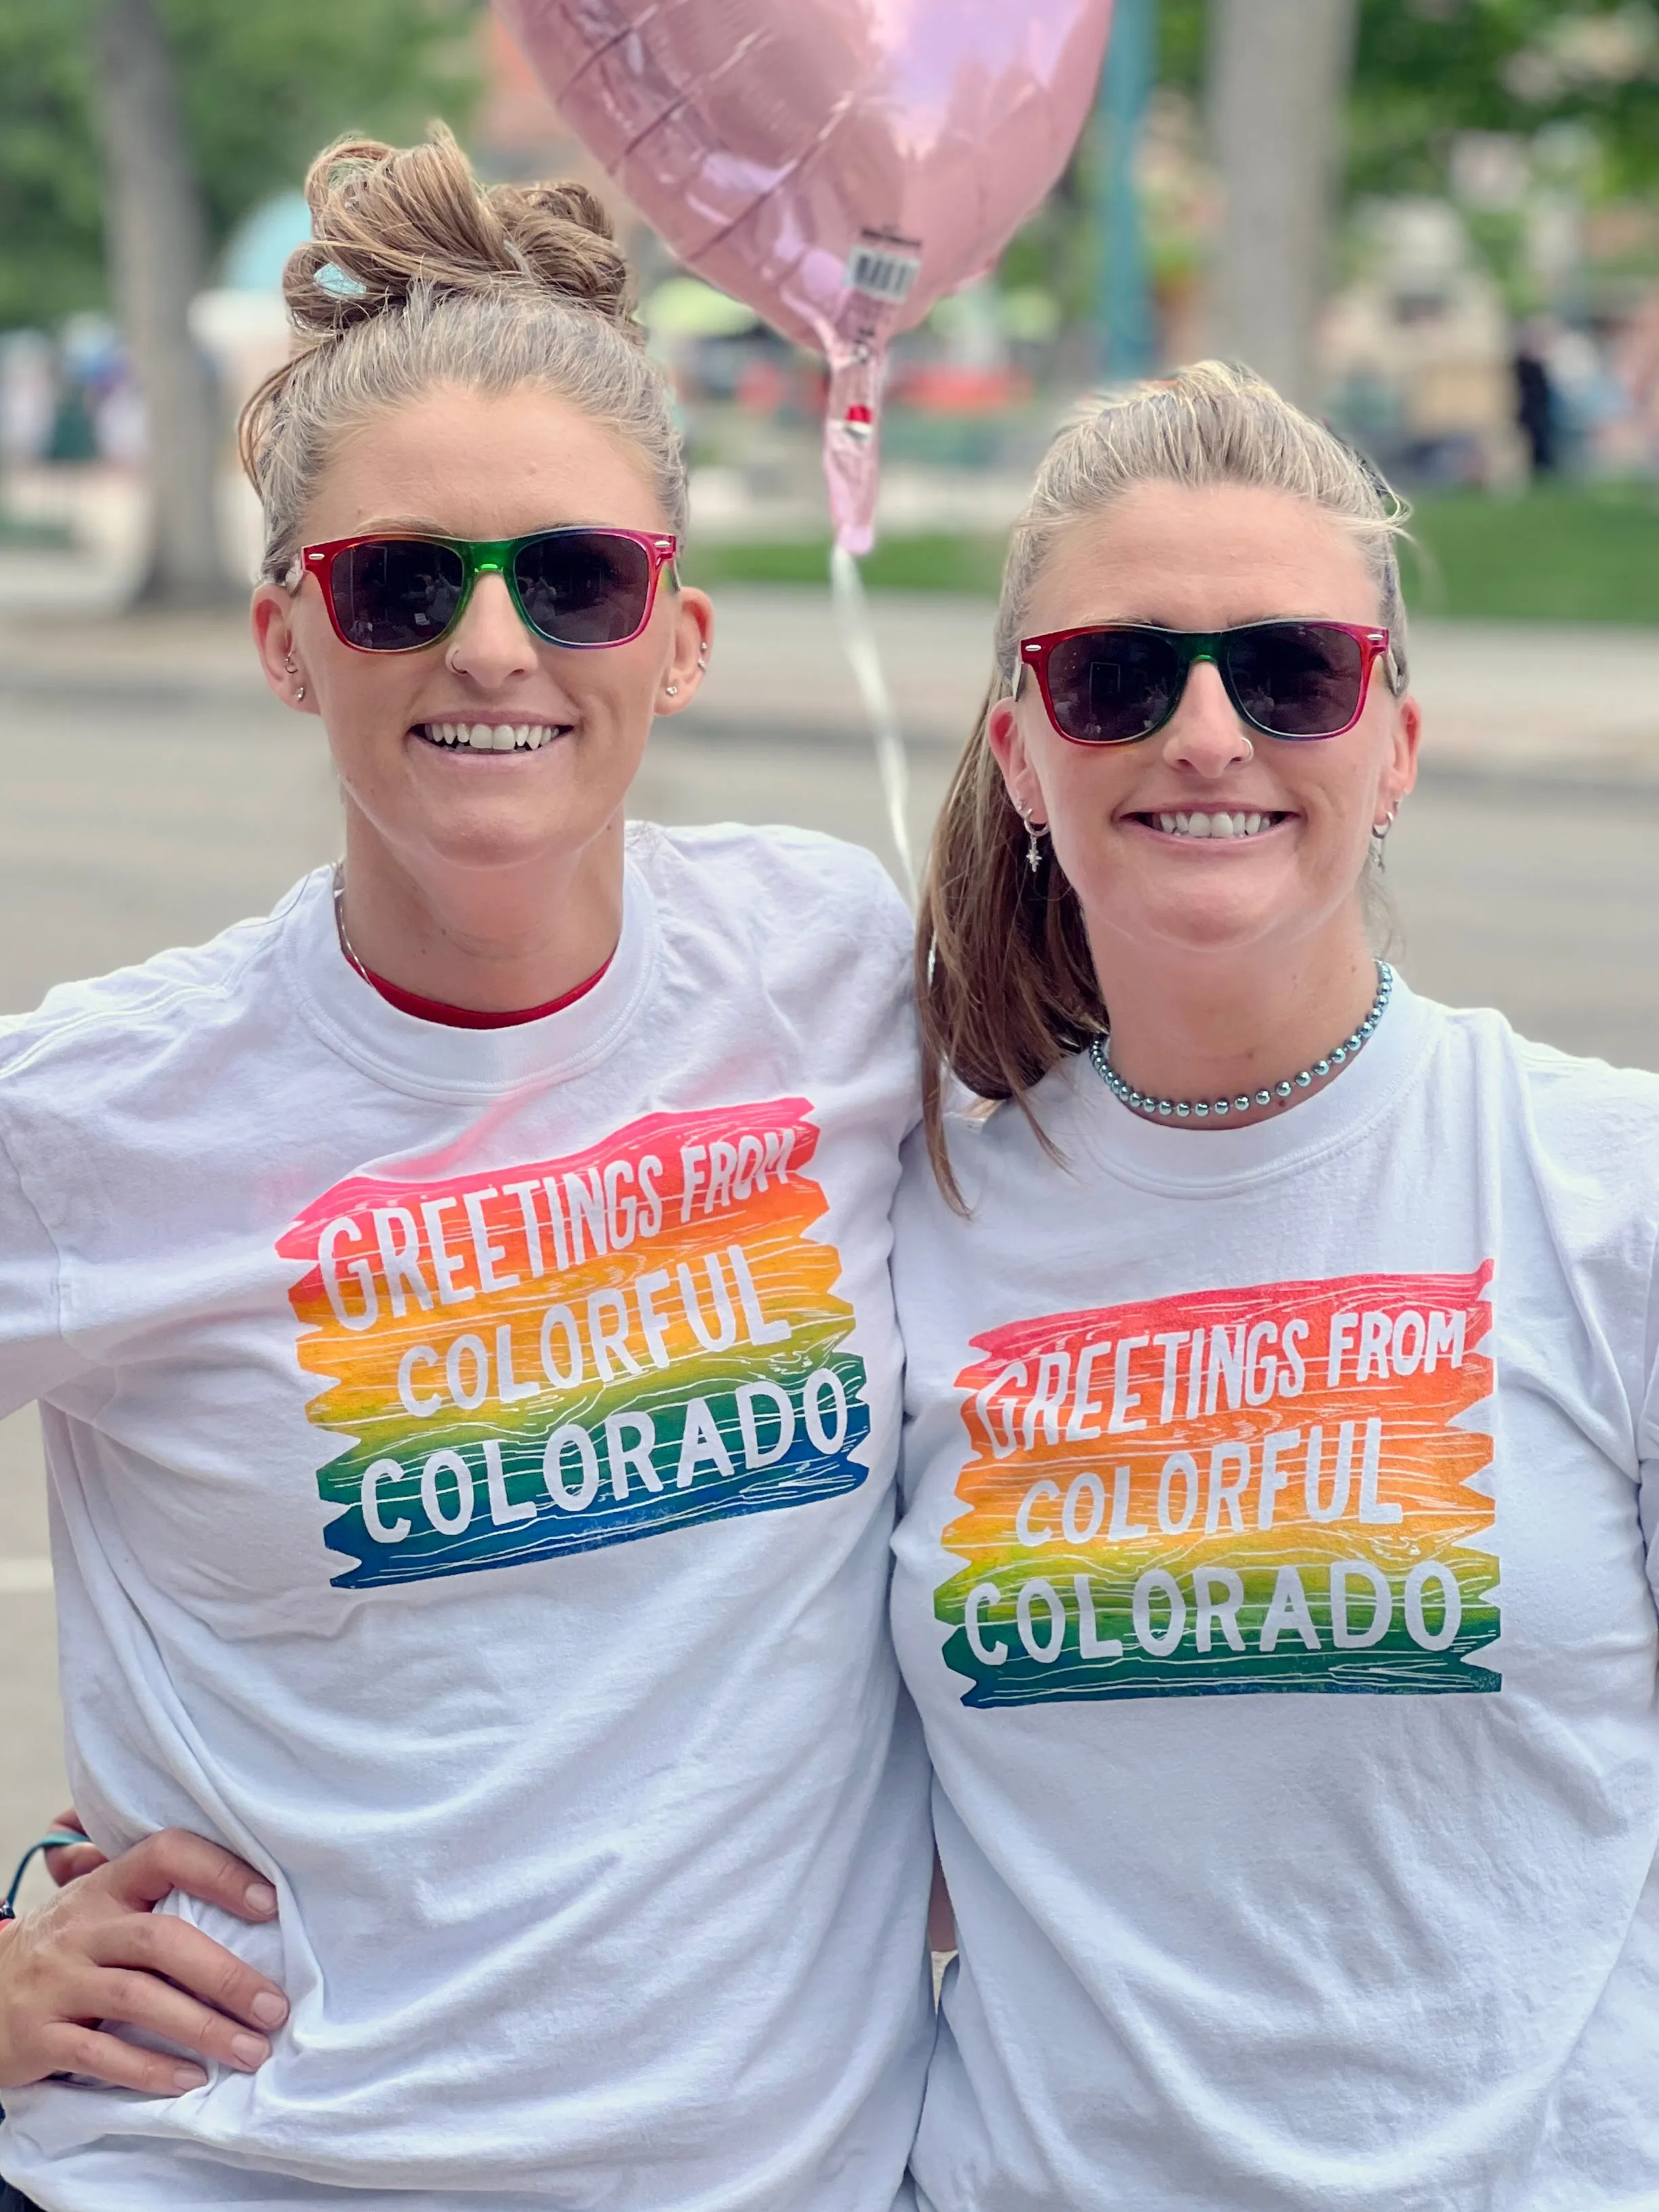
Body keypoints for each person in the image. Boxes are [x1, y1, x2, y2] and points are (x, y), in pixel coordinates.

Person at [0, 129, 934, 2211]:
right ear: (288, 641)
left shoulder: (848, 973)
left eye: (574, 579)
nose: (494, 650)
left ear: (677, 637)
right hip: (240, 2175)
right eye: (403, 582)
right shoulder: (98, 1112)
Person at [891, 361, 1659, 2210]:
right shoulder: (908, 1230)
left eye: (1293, 671)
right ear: (1023, 750)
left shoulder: (1605, 1194)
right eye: (1119, 677)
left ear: (1393, 738)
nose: (1210, 734)